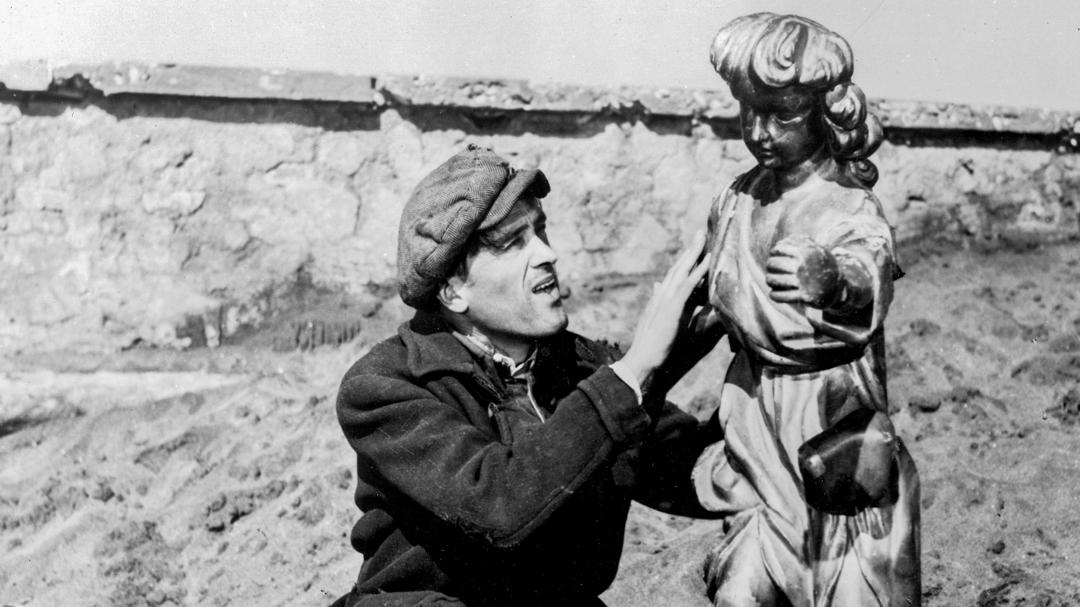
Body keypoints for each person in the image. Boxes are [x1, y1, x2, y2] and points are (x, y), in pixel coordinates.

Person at [333, 144, 724, 607]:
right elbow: (499, 504)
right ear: (453, 291)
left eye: (540, 230)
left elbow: (691, 476)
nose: (546, 254)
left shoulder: (581, 366)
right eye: (512, 243)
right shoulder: (385, 388)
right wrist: (636, 371)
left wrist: (754, 362)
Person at [691, 13, 921, 607]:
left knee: (848, 587)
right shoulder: (736, 200)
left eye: (782, 114)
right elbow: (705, 294)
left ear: (825, 111)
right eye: (748, 112)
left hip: (831, 426)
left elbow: (869, 269)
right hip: (755, 430)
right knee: (740, 592)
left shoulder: (847, 205)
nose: (760, 131)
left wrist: (833, 278)